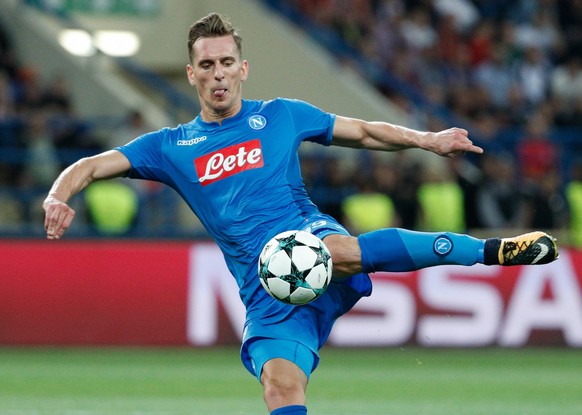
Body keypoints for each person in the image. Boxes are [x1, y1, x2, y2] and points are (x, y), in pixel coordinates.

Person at [42, 13, 559, 415]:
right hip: (266, 292)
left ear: (243, 68)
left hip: (308, 238)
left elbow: (362, 131)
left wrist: (426, 139)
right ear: (191, 74)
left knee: (336, 250)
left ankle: (494, 251)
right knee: (279, 384)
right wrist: (56, 196)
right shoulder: (171, 146)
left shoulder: (281, 115)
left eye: (226, 63)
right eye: (207, 65)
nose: (218, 74)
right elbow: (90, 165)